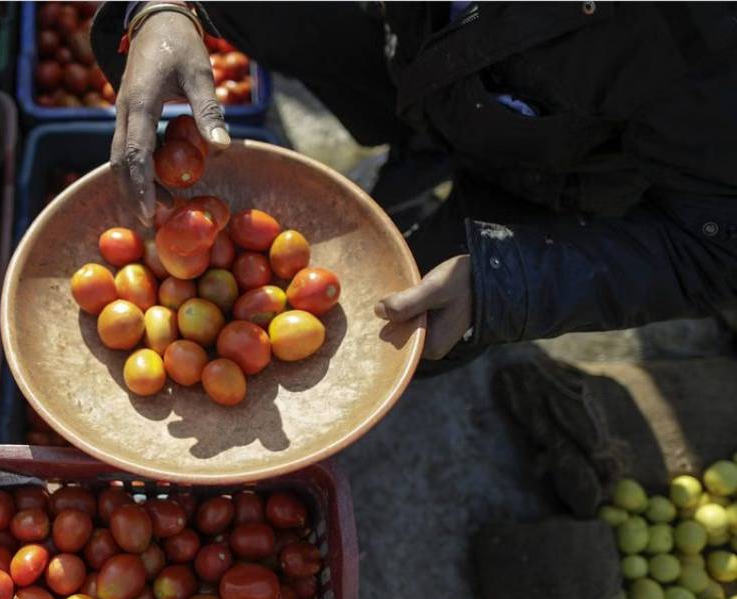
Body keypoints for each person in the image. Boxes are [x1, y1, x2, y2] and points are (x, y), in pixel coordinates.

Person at [89, 2, 737, 364]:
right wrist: (165, 6)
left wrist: (504, 285)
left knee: (386, 342)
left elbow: (715, 250)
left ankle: (441, 176)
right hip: (414, 47)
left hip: (554, 177)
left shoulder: (709, 42)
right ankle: (417, 152)